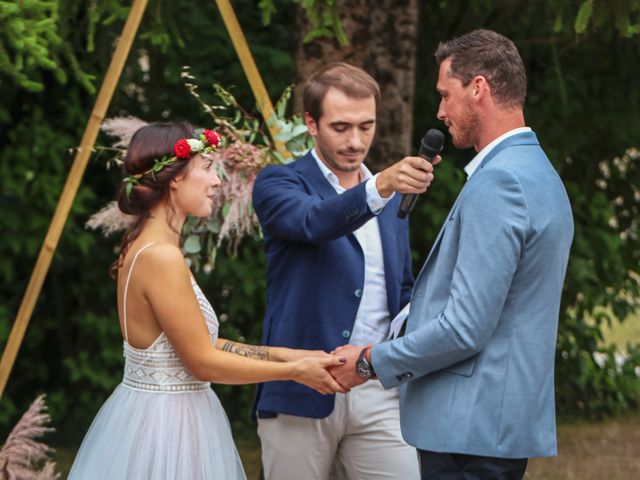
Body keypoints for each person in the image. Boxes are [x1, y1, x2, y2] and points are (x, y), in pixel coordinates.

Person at [330, 29, 574, 479]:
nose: (440, 112)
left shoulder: (501, 182)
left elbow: (465, 327)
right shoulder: (538, 173)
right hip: (490, 424)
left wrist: (369, 361)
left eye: (446, 94)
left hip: (470, 429)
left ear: (477, 88)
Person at [68, 122, 347, 480]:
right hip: (167, 431)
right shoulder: (161, 257)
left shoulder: (149, 248)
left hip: (159, 415)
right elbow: (203, 362)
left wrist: (295, 355)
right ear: (175, 178)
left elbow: (204, 345)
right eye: (207, 168)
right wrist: (294, 372)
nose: (217, 181)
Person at [251, 62, 437, 479]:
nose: (356, 141)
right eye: (341, 127)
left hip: (378, 388)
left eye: (366, 126)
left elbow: (401, 289)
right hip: (300, 387)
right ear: (311, 124)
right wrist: (381, 187)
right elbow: (315, 222)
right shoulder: (278, 183)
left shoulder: (389, 201)